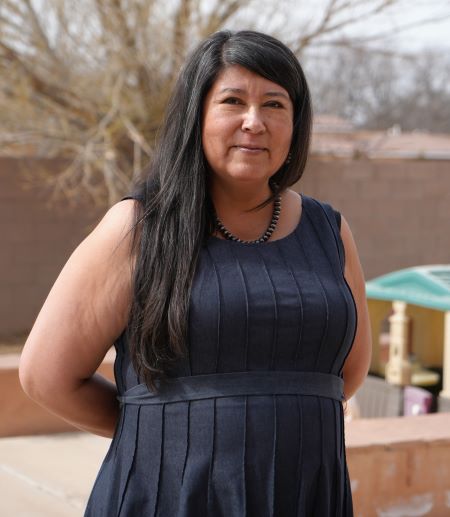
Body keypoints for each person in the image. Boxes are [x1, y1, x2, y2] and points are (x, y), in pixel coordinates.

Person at [19, 29, 371, 516]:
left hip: (307, 493)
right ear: (196, 116)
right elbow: (46, 376)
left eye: (275, 104)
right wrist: (163, 430)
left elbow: (346, 374)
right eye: (232, 101)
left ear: (296, 124)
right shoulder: (138, 227)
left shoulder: (329, 231)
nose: (255, 122)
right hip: (171, 494)